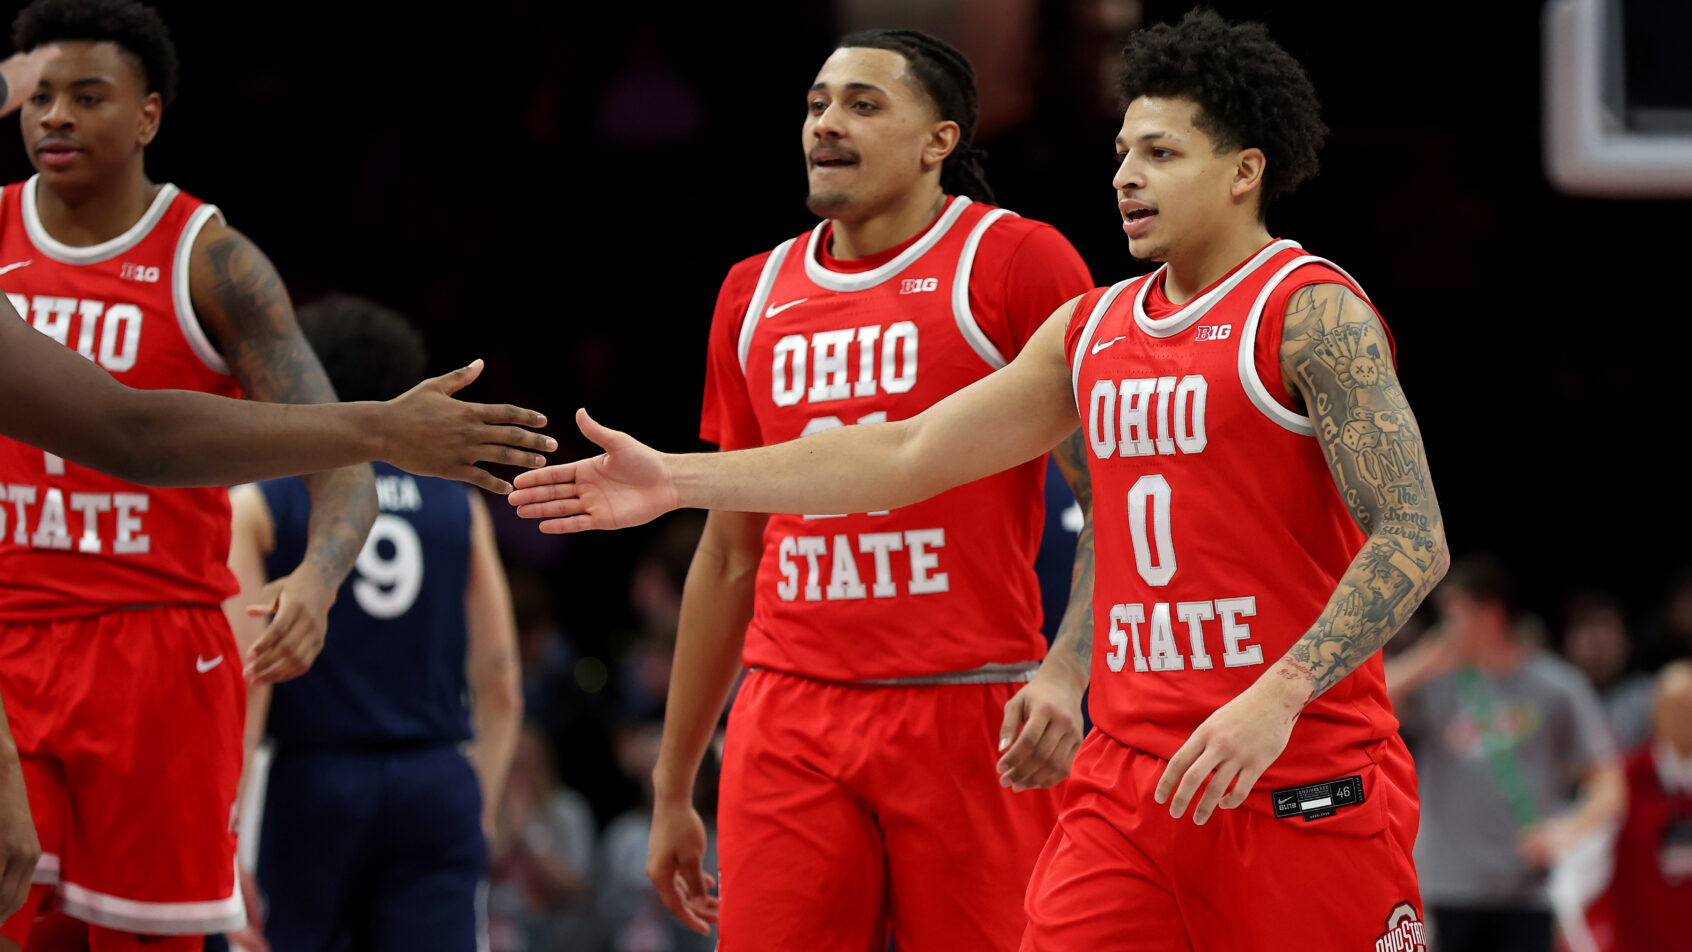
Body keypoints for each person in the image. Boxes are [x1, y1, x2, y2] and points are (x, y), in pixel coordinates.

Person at [511, 10, 1450, 951]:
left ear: (1245, 170)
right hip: (1126, 780)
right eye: (1123, 151)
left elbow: (1414, 539)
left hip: (1295, 762)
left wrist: (1278, 693)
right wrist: (678, 479)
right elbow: (903, 452)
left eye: (1160, 154)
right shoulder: (1089, 329)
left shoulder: (1311, 314)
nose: (1125, 176)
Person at [0, 3, 538, 948]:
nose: (57, 117)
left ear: (149, 115)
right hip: (12, 635)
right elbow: (138, 431)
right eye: (39, 95)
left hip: (155, 654)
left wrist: (320, 578)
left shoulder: (211, 260)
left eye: (88, 96)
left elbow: (341, 468)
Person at [641, 29, 1096, 950]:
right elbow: (730, 557)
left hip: (973, 706)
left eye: (862, 103)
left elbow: (1115, 500)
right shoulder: (752, 293)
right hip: (789, 710)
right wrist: (672, 782)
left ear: (940, 141)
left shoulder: (1016, 263)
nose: (826, 124)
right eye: (816, 104)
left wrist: (1068, 668)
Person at [224, 295, 523, 952]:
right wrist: (479, 807)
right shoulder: (458, 503)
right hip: (435, 779)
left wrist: (229, 836)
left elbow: (248, 678)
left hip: (312, 787)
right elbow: (500, 683)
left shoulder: (263, 500)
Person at [1388, 554, 1624, 952]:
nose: (1446, 627)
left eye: (1454, 613)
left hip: (1529, 890)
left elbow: (1609, 783)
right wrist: (1429, 657)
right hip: (1450, 888)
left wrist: (1567, 832)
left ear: (1490, 613)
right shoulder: (1436, 685)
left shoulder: (1557, 687)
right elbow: (1370, 701)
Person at [1600, 660, 1692, 951]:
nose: (1684, 718)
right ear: (1655, 713)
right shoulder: (1621, 778)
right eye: (1675, 708)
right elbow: (1579, 874)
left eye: (1690, 708)